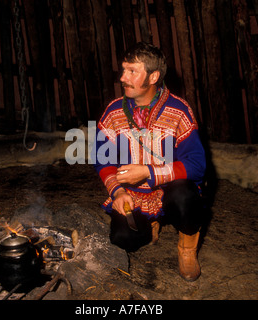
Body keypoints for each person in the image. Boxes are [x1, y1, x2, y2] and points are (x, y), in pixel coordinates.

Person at [93, 42, 207, 281]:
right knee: (123, 240)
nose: (123, 77)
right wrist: (117, 192)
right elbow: (102, 160)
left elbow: (198, 165)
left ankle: (187, 250)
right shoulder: (114, 111)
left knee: (185, 196)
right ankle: (151, 226)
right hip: (133, 194)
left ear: (154, 76)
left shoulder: (179, 110)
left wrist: (148, 172)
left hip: (171, 191)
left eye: (132, 71)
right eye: (123, 70)